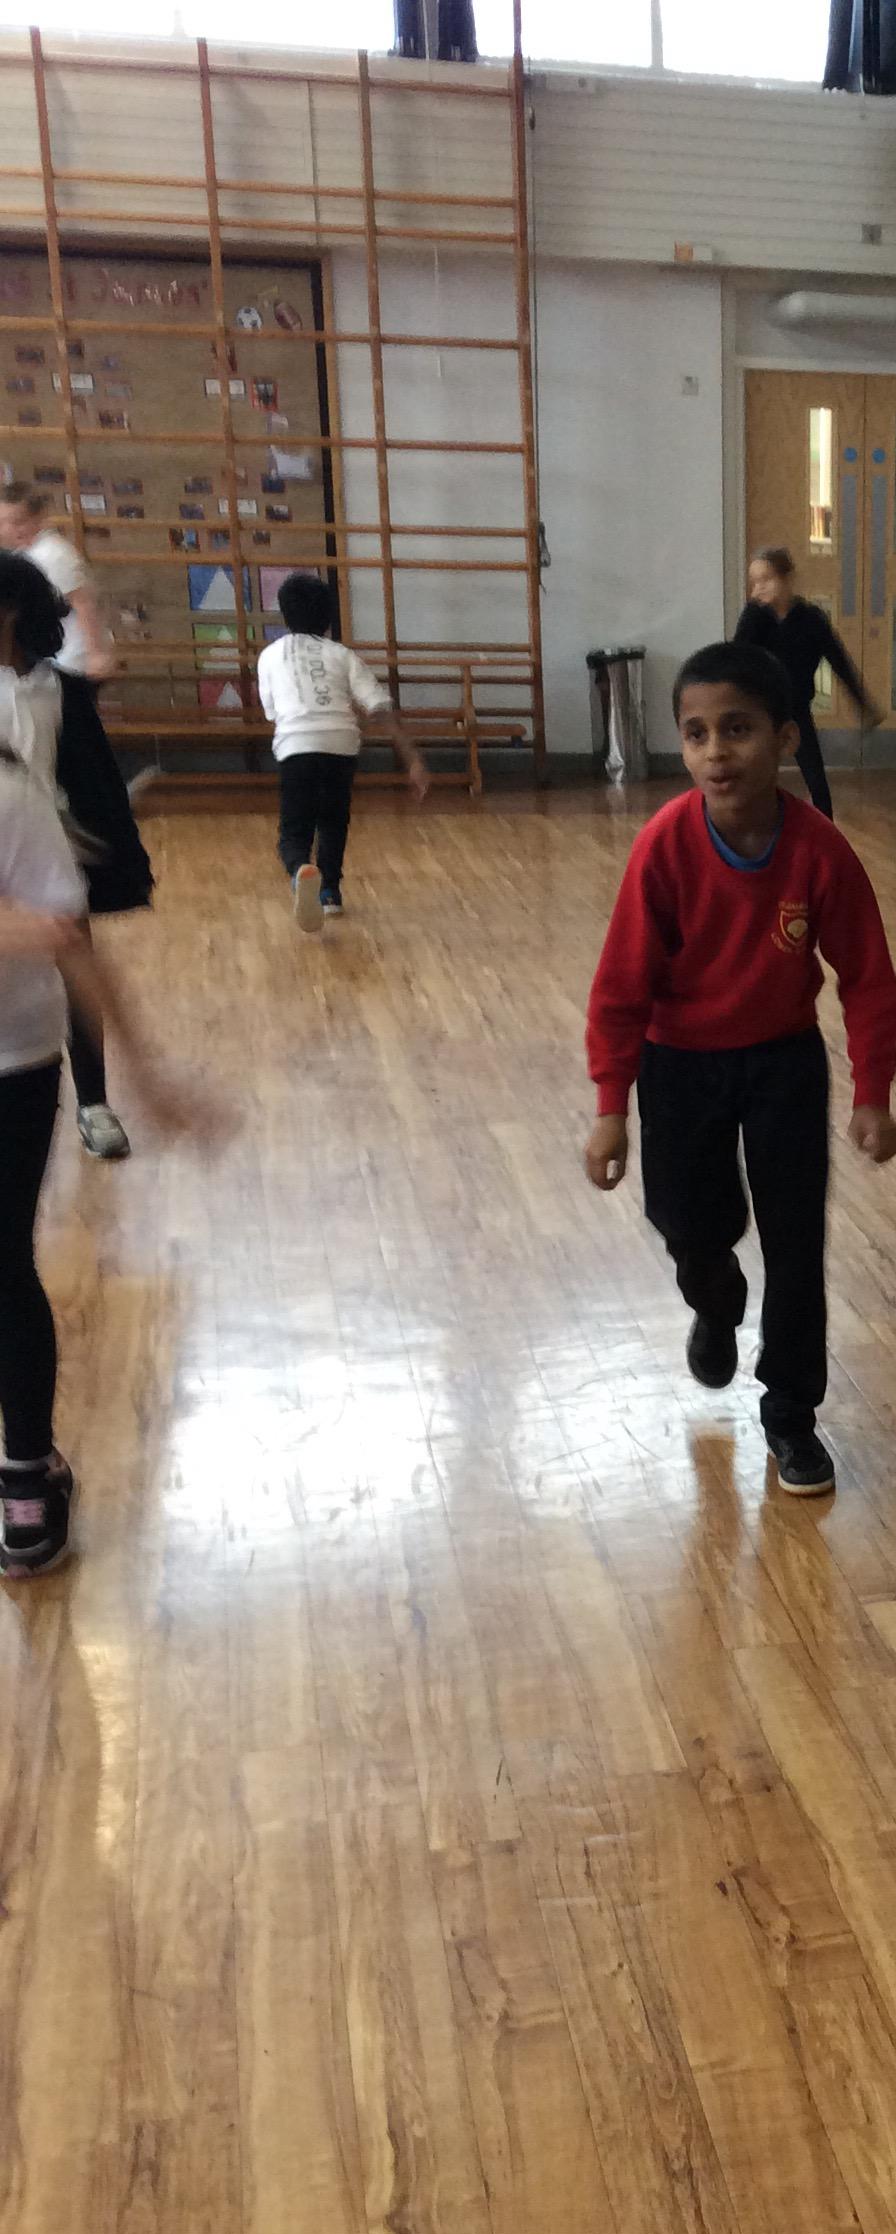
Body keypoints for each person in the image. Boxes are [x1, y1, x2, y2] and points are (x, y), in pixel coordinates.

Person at [582, 638, 896, 1498]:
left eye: (738, 729)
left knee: (796, 1247)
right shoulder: (663, 847)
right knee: (691, 1225)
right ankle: (715, 1299)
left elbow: (869, 978)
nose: (716, 752)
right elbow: (620, 986)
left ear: (785, 738)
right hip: (680, 1066)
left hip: (781, 1066)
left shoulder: (819, 851)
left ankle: (791, 1414)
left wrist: (873, 1093)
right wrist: (611, 1105)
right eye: (696, 734)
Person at [0, 565, 215, 1580]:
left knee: (3, 1259)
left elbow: (63, 935)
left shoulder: (15, 792)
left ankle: (25, 1463)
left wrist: (144, 1075)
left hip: (13, 1055)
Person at [0, 487, 157, 1163]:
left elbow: (86, 782)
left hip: (41, 860)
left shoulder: (54, 693)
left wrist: (90, 836)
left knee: (74, 975)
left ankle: (93, 1103)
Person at [255, 573, 430, 931]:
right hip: (341, 744)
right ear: (328, 618)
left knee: (294, 828)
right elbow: (378, 707)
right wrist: (413, 759)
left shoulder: (270, 656)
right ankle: (330, 892)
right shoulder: (342, 654)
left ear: (285, 615)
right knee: (334, 820)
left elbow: (271, 711)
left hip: (296, 744)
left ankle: (300, 870)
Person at [733, 546, 880, 817]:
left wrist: (864, 704)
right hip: (761, 712)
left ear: (786, 579)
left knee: (817, 781)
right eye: (755, 582)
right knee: (754, 777)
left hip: (796, 711)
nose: (757, 590)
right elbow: (737, 660)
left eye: (765, 580)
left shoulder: (811, 619)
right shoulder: (754, 616)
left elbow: (839, 661)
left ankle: (827, 834)